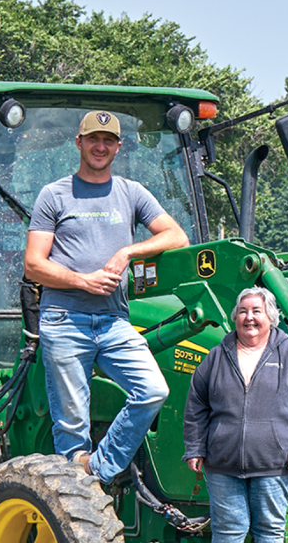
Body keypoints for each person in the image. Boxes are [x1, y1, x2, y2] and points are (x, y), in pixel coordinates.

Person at [24, 110, 189, 484]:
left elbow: (176, 236)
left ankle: (97, 470)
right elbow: (34, 265)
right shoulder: (54, 195)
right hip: (64, 320)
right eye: (94, 139)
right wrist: (83, 281)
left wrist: (128, 252)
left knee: (152, 390)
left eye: (109, 140)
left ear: (118, 146)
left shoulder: (131, 192)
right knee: (71, 428)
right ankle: (76, 499)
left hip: (115, 321)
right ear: (79, 143)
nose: (101, 146)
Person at [181, 286, 288, 543]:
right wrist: (195, 447)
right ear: (235, 317)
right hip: (222, 463)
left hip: (275, 463)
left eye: (256, 312)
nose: (249, 318)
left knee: (270, 529)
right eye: (243, 311)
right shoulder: (217, 356)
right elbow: (196, 403)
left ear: (270, 318)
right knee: (228, 529)